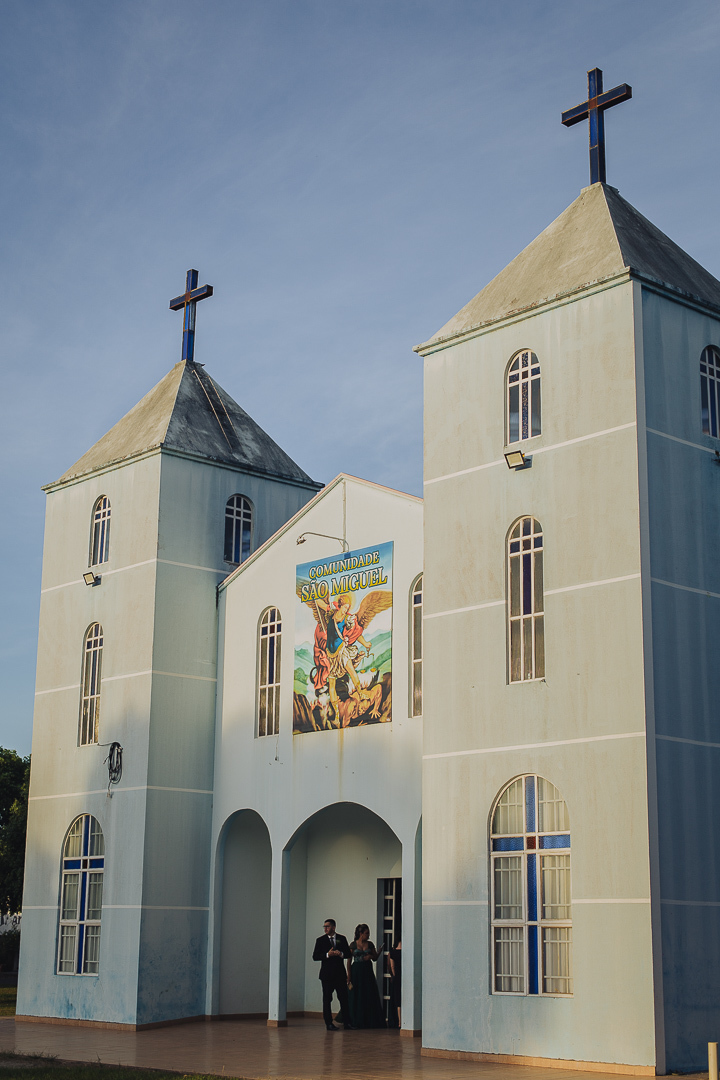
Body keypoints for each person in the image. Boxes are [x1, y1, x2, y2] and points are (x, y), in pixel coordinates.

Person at [312, 918, 354, 1031]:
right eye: (324, 926)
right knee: (327, 999)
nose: (325, 928)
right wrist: (327, 954)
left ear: (334, 927)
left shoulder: (342, 938)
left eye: (328, 926)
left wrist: (340, 954)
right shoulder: (320, 940)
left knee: (344, 999)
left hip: (340, 974)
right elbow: (315, 956)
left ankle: (347, 1023)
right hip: (327, 975)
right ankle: (329, 1023)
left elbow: (347, 954)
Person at [345, 923, 386, 1029]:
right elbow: (349, 961)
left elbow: (375, 958)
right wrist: (349, 975)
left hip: (367, 971)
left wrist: (374, 954)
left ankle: (369, 1020)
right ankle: (355, 1020)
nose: (368, 935)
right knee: (356, 994)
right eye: (366, 933)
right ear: (360, 933)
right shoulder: (353, 945)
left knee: (369, 993)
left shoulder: (370, 944)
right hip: (356, 971)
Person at [388, 938, 401, 1028]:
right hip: (405, 976)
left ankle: (399, 1021)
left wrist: (394, 975)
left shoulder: (392, 953)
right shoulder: (405, 952)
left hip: (397, 977)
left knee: (398, 999)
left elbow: (392, 966)